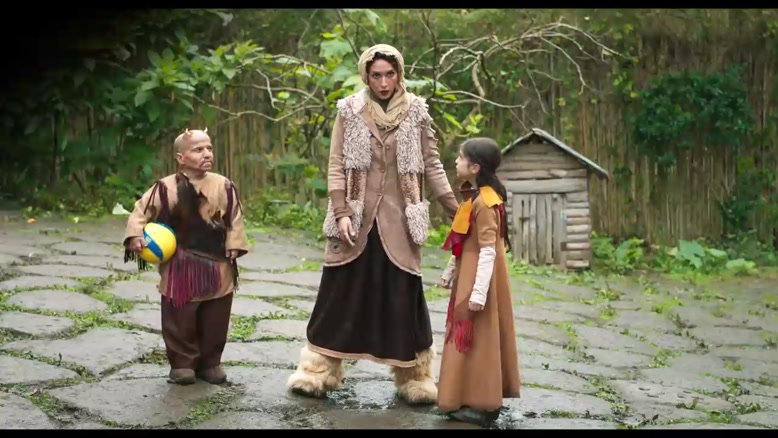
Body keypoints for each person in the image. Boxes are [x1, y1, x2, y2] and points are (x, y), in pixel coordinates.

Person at [286, 43, 459, 404]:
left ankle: (415, 378)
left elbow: (432, 164)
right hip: (355, 220)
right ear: (366, 75)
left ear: (399, 74)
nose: (383, 82)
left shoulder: (416, 112)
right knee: (338, 295)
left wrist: (455, 210)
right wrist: (341, 212)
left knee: (403, 297)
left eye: (390, 74)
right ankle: (317, 371)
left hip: (400, 221)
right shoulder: (349, 111)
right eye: (376, 75)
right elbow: (336, 164)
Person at [123, 128, 249, 386]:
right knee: (179, 317)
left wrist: (235, 243)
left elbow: (234, 218)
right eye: (198, 149)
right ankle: (182, 364)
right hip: (181, 265)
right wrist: (135, 234)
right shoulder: (165, 188)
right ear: (180, 158)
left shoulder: (224, 185)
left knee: (216, 316)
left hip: (218, 265)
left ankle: (210, 363)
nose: (207, 153)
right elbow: (140, 212)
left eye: (209, 148)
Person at [436, 137, 521, 427]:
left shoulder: (485, 202)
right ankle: (466, 396)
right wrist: (450, 271)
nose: (456, 161)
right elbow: (464, 241)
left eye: (460, 158)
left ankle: (484, 405)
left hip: (478, 281)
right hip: (469, 275)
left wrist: (478, 293)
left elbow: (487, 250)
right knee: (469, 341)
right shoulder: (474, 198)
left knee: (480, 339)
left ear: (475, 167)